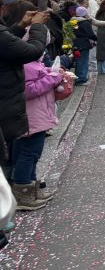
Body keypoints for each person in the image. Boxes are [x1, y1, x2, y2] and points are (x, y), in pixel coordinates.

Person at [0, 0, 50, 170]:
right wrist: (38, 26)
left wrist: (22, 24)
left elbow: (7, 43)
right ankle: (17, 191)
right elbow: (32, 51)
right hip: (6, 102)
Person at [12, 53, 62, 210]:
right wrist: (53, 77)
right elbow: (28, 89)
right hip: (31, 117)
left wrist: (51, 72)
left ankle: (31, 189)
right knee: (29, 153)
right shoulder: (26, 63)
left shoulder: (28, 61)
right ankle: (23, 194)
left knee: (30, 154)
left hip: (34, 116)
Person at [72, 6, 96, 85]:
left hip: (75, 44)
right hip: (84, 44)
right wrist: (96, 39)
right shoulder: (85, 22)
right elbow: (90, 34)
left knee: (78, 61)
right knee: (83, 61)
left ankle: (78, 77)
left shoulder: (73, 21)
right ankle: (81, 79)